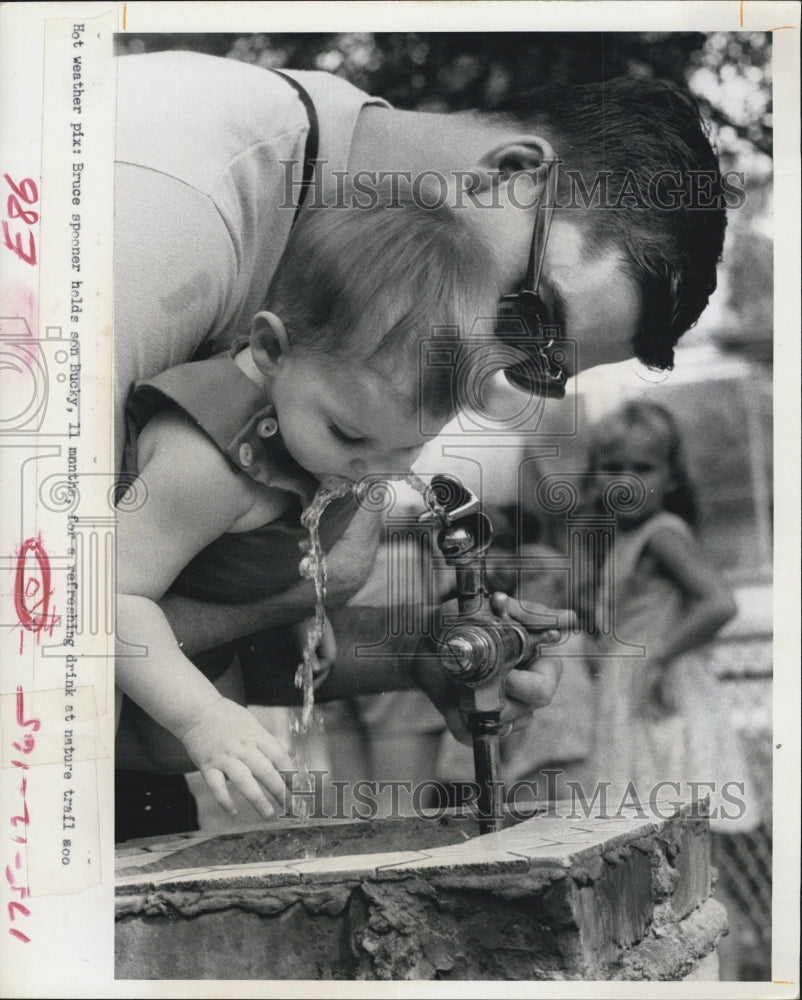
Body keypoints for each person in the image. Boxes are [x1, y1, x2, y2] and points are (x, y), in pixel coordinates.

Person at [113, 49, 727, 739]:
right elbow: (47, 620)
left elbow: (167, 625)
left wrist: (414, 652)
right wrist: (300, 592)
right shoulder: (170, 213)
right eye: (524, 319)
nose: (479, 379)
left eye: (533, 372)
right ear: (512, 176)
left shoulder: (323, 274)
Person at [115, 193, 501, 821]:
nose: (373, 471)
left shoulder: (317, 433)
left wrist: (301, 615)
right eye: (351, 436)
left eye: (409, 446)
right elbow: (102, 598)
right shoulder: (210, 466)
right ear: (271, 351)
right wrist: (201, 717)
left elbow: (251, 546)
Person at [580, 400, 754, 828]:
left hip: (660, 686)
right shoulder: (624, 538)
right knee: (640, 822)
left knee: (674, 816)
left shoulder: (662, 535)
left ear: (672, 478)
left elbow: (719, 603)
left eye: (642, 469)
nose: (626, 481)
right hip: (629, 686)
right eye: (612, 467)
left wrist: (658, 657)